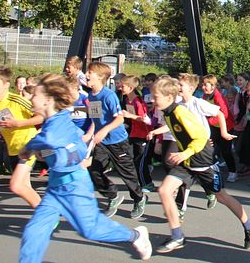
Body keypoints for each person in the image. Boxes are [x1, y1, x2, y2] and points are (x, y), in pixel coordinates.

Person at [18, 73, 152, 262]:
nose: (31, 97)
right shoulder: (58, 117)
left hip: (75, 186)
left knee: (91, 230)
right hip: (55, 189)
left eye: (35, 94)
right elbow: (68, 140)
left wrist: (31, 147)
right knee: (34, 231)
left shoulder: (56, 128)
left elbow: (54, 139)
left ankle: (136, 236)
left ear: (48, 100)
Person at [153, 76, 250, 253]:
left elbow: (200, 136)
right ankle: (177, 235)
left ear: (168, 98)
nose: (153, 100)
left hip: (202, 161)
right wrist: (159, 133)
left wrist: (184, 152)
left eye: (156, 97)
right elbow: (177, 131)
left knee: (221, 196)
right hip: (187, 161)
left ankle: (249, 225)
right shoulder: (168, 113)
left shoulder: (180, 112)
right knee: (164, 190)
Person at [85, 62, 147, 219]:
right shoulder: (91, 95)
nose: (86, 75)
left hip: (118, 141)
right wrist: (90, 134)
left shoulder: (109, 95)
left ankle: (139, 198)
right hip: (103, 142)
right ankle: (113, 196)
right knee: (94, 171)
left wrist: (104, 130)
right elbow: (96, 118)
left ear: (100, 77)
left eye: (89, 73)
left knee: (127, 174)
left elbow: (119, 119)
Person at [0, 67, 42, 208]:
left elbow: (41, 116)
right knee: (25, 188)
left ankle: (47, 217)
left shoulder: (17, 100)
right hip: (13, 149)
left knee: (16, 185)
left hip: (28, 146)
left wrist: (18, 123)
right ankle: (46, 214)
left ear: (6, 85)